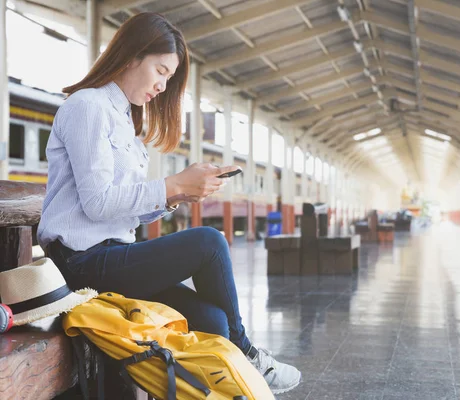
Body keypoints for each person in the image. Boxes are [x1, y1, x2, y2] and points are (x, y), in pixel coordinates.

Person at [37, 12, 301, 396]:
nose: (162, 86)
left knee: (209, 317)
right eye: (161, 71)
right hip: (79, 265)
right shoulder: (87, 107)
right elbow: (97, 203)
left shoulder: (125, 121)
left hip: (112, 256)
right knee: (209, 243)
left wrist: (177, 194)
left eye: (168, 78)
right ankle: (247, 355)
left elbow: (120, 210)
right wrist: (171, 183)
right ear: (131, 56)